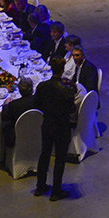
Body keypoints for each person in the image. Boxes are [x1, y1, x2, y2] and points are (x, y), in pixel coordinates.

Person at [33, 56, 77, 201]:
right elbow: (71, 110)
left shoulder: (42, 86)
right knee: (59, 158)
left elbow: (37, 105)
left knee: (44, 154)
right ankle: (56, 190)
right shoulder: (66, 90)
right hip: (62, 126)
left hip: (47, 124)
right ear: (63, 69)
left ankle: (40, 186)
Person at [0, 76, 36, 149]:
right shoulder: (39, 101)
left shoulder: (13, 105)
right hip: (37, 132)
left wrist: (6, 104)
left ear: (19, 90)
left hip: (17, 135)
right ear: (32, 89)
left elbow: (4, 117)